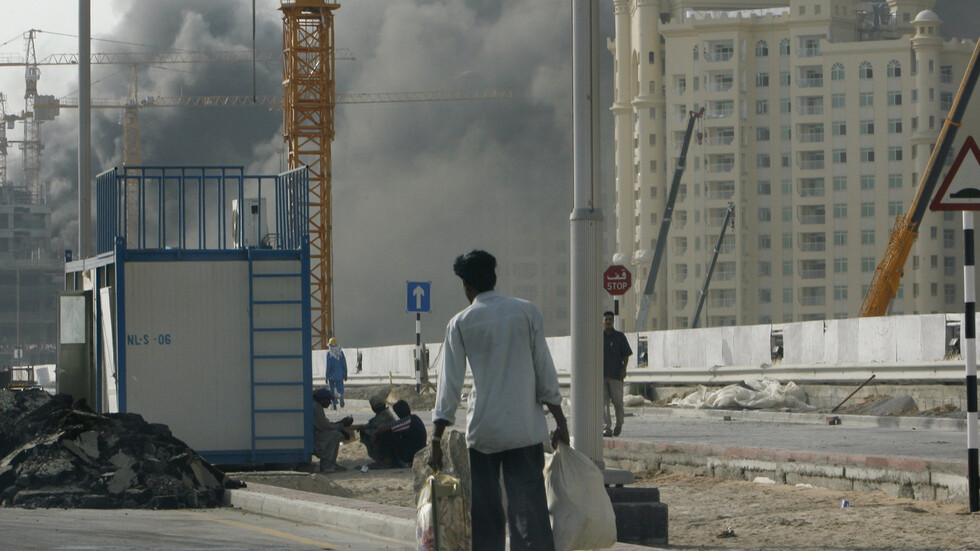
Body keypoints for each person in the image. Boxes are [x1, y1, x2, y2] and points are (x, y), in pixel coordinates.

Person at [429, 249, 569, 551]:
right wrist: (560, 421)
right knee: (529, 512)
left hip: (484, 433)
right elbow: (544, 369)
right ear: (494, 278)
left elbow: (449, 386)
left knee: (488, 516)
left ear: (466, 286)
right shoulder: (526, 311)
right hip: (525, 429)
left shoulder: (459, 323)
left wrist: (436, 439)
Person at [602, 310, 632, 437]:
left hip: (616, 375)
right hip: (602, 376)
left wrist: (624, 368)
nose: (608, 321)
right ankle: (606, 427)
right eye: (606, 319)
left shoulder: (620, 337)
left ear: (613, 321)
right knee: (603, 403)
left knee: (618, 402)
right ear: (603, 321)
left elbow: (626, 355)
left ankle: (619, 423)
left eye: (610, 319)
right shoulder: (598, 336)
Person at [312, 388, 353, 473]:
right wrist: (341, 425)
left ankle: (331, 463)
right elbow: (324, 426)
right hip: (313, 437)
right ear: (323, 400)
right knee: (334, 435)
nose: (330, 403)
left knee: (335, 433)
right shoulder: (316, 407)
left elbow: (324, 424)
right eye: (328, 400)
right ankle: (327, 465)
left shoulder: (316, 405)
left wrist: (340, 423)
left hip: (314, 434)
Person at [350, 395, 397, 467]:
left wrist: (365, 431)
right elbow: (370, 424)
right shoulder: (383, 414)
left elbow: (378, 432)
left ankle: (384, 459)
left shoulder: (383, 417)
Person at [389, 399, 426, 467]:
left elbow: (390, 428)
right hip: (419, 449)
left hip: (413, 453)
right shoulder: (415, 418)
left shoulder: (407, 420)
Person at [325, 337, 348, 410]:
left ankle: (334, 404)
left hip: (331, 376)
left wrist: (327, 376)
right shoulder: (340, 353)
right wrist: (345, 375)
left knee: (332, 390)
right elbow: (344, 364)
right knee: (340, 389)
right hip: (340, 375)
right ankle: (340, 395)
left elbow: (328, 366)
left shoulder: (329, 354)